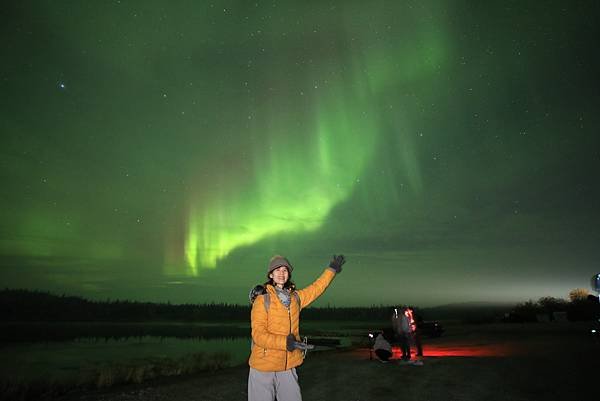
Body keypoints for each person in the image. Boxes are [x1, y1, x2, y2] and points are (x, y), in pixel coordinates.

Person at [248, 254, 346, 401]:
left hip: (288, 364)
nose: (281, 273)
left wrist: (331, 270)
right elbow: (258, 335)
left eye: (285, 270)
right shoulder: (263, 300)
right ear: (271, 274)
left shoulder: (296, 298)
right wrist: (286, 343)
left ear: (289, 274)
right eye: (277, 270)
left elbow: (317, 287)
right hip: (263, 364)